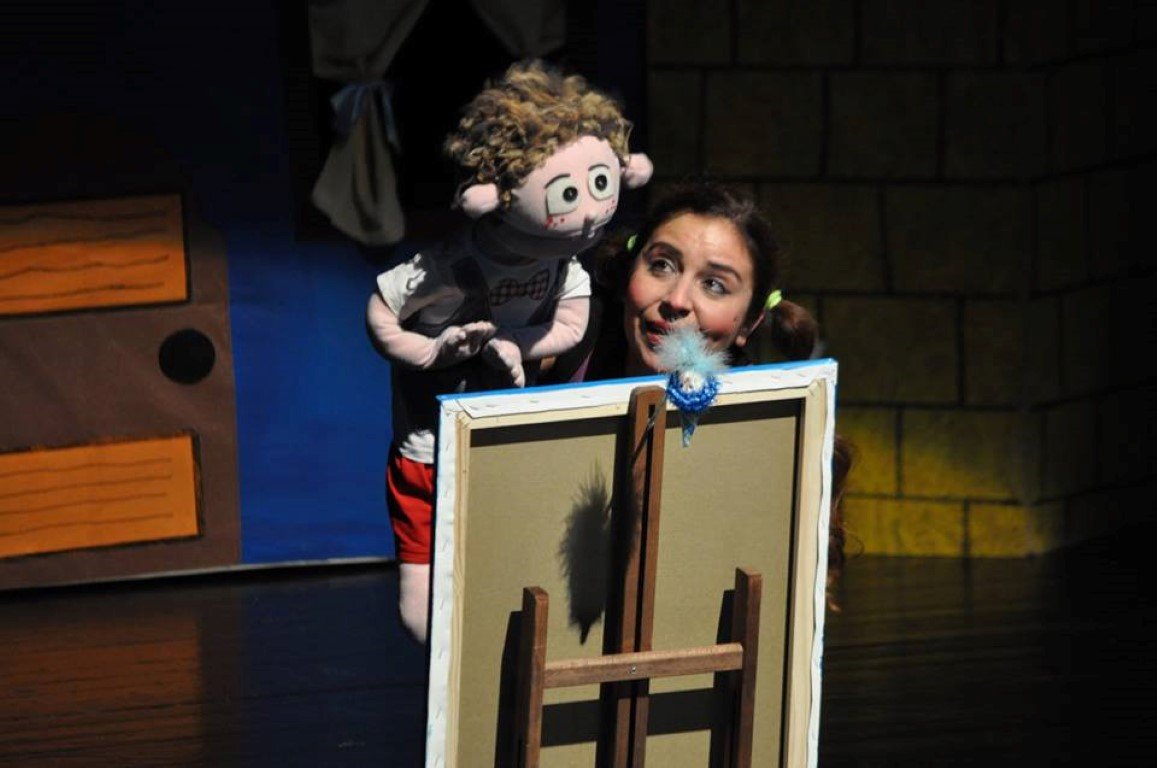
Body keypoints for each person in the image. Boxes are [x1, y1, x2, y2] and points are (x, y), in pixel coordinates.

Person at [366, 60, 652, 643]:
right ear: (492, 197)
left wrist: (514, 344)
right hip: (431, 445)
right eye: (568, 193)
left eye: (601, 185)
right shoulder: (448, 265)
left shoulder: (563, 262)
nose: (588, 212)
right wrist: (432, 352)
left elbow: (571, 322)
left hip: (504, 436)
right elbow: (380, 311)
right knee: (422, 607)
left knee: (508, 570)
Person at [542, 182, 852, 601]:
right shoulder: (559, 349)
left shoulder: (762, 435)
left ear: (748, 324)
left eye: (715, 285)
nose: (677, 299)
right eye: (661, 265)